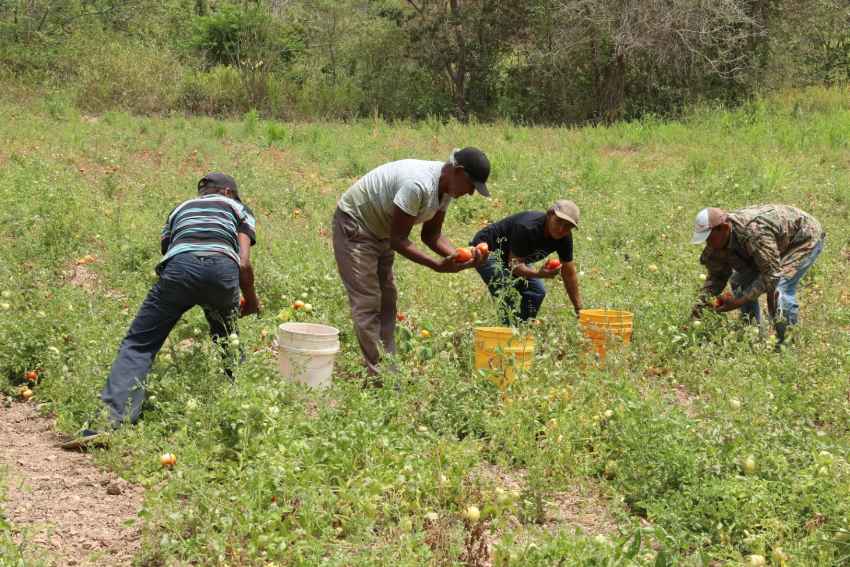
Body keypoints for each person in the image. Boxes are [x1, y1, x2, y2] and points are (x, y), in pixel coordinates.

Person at [62, 173, 260, 448]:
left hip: (180, 269)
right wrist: (251, 299)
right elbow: (243, 263)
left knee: (139, 344)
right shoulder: (237, 208)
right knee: (227, 340)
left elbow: (169, 249)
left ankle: (109, 423)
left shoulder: (180, 209)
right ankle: (246, 413)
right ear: (228, 192)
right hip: (222, 270)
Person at [333, 147, 491, 375]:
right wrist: (436, 265)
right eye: (471, 186)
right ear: (458, 171)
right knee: (368, 301)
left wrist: (459, 255)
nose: (471, 194)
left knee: (387, 299)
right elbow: (399, 240)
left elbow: (431, 235)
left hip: (382, 231)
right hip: (355, 226)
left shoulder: (445, 189)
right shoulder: (417, 185)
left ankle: (388, 369)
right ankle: (380, 379)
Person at [690, 204, 824, 346]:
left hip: (802, 237)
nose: (707, 242)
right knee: (740, 282)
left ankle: (787, 346)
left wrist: (738, 302)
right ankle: (752, 333)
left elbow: (772, 275)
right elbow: (717, 277)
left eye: (709, 238)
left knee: (779, 289)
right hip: (773, 244)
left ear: (724, 228)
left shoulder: (754, 233)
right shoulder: (717, 243)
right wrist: (699, 308)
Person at [471, 200, 583, 324]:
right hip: (487, 250)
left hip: (515, 256)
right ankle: (507, 331)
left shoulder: (564, 237)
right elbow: (514, 266)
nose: (561, 229)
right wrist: (538, 274)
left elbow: (569, 272)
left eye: (568, 226)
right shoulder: (528, 227)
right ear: (550, 214)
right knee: (504, 288)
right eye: (558, 222)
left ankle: (522, 329)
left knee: (537, 291)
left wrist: (579, 308)